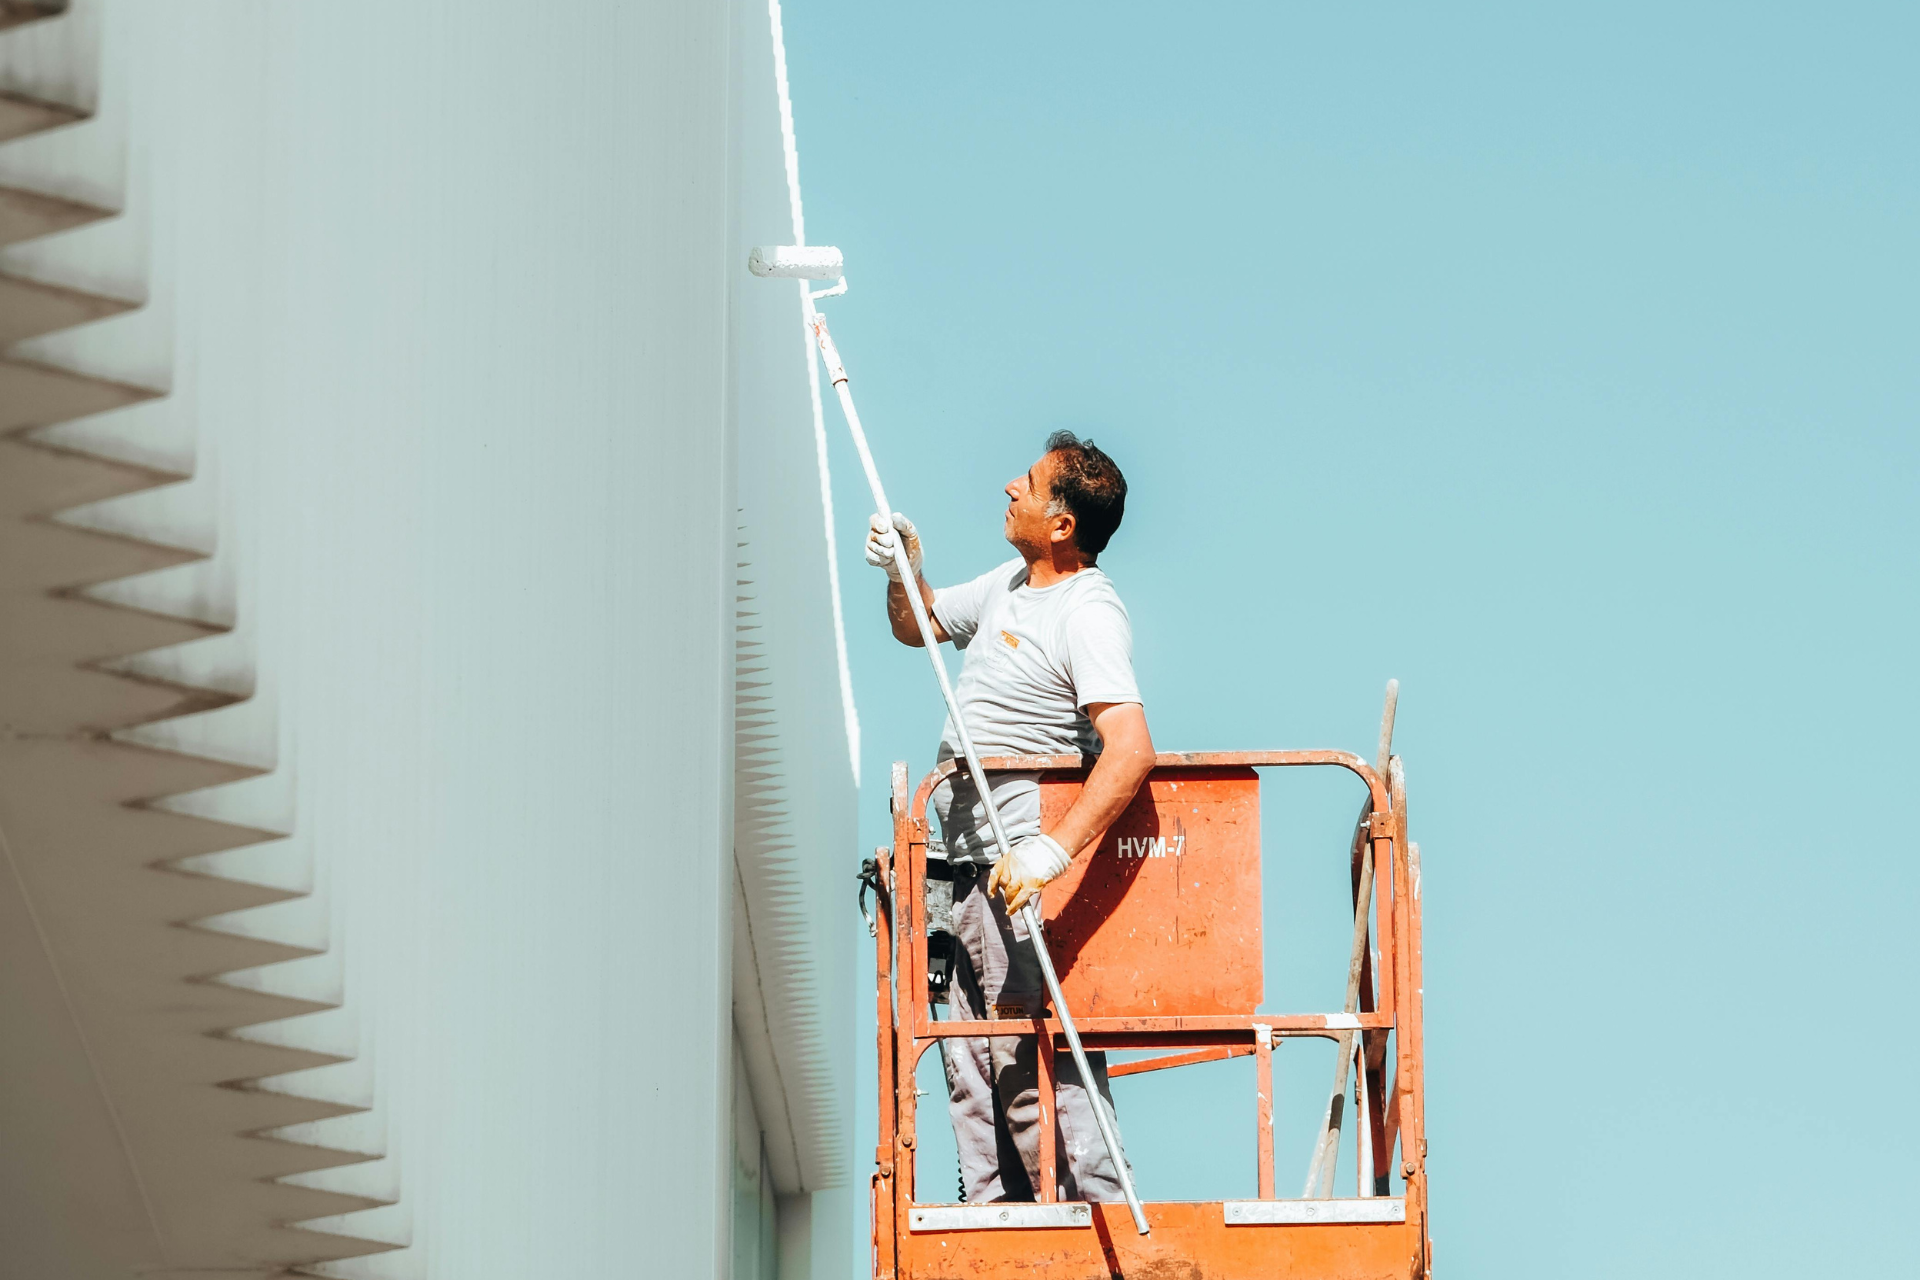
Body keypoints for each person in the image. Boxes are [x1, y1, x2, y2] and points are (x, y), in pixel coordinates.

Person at [865, 430, 1155, 1204]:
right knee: (969, 1063)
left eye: (1026, 483)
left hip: (1017, 864)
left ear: (1063, 524)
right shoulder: (1008, 586)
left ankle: (1096, 1218)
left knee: (1033, 1062)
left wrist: (1049, 854)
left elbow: (1130, 748)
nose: (1008, 488)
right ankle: (992, 1220)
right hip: (966, 867)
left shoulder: (1088, 611)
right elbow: (915, 623)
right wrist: (905, 568)